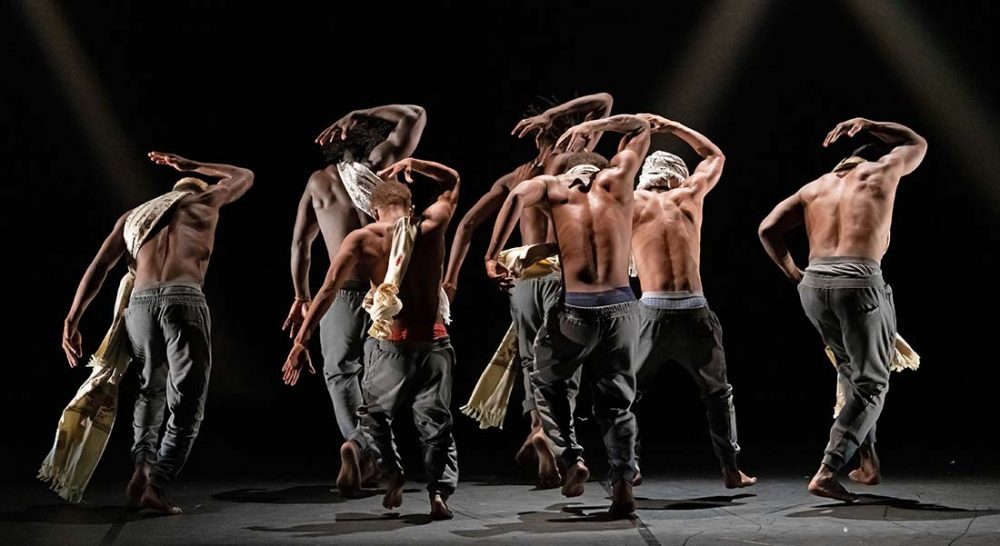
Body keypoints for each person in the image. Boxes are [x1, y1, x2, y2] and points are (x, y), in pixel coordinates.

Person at [61, 151, 254, 514]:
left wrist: (72, 318)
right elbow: (243, 173)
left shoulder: (133, 217)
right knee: (188, 397)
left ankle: (142, 465)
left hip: (141, 304)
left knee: (151, 389)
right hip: (184, 299)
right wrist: (192, 165)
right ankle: (159, 482)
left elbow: (99, 266)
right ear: (195, 190)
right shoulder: (205, 200)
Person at [485, 114, 651, 517]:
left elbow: (515, 198)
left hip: (576, 309)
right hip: (623, 308)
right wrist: (606, 122)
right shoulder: (619, 179)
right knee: (616, 402)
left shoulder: (554, 188)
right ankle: (623, 484)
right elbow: (642, 127)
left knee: (544, 379)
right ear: (601, 167)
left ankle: (571, 456)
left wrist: (494, 254)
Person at [443, 93, 613, 486]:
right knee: (563, 363)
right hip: (561, 274)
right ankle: (553, 440)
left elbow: (467, 224)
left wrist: (452, 279)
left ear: (536, 137)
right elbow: (604, 102)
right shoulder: (569, 161)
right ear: (568, 133)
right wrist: (558, 115)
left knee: (530, 362)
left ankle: (537, 427)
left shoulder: (516, 177)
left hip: (522, 279)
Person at [758, 118, 927, 501]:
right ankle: (828, 469)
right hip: (859, 282)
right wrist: (869, 123)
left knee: (853, 376)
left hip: (814, 286)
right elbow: (914, 140)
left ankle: (867, 463)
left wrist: (794, 274)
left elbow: (767, 228)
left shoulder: (814, 187)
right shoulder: (881, 171)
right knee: (873, 383)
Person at [282, 158, 461, 520]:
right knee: (435, 422)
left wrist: (301, 341)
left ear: (373, 208)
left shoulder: (363, 239)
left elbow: (328, 290)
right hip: (435, 340)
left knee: (375, 417)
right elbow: (452, 180)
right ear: (410, 206)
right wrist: (415, 163)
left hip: (393, 345)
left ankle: (391, 473)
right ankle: (438, 496)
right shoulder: (432, 224)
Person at [283, 105, 426, 451]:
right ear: (373, 143)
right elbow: (415, 114)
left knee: (339, 372)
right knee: (390, 371)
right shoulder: (383, 167)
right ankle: (374, 445)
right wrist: (357, 113)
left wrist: (301, 296)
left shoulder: (318, 183)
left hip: (341, 291)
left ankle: (360, 446)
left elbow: (301, 243)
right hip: (387, 289)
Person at [629, 114, 756, 488]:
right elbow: (714, 156)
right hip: (693, 308)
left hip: (651, 309)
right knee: (718, 394)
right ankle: (731, 469)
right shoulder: (689, 196)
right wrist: (671, 126)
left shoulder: (631, 203)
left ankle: (630, 466)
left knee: (628, 395)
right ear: (678, 175)